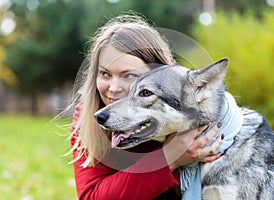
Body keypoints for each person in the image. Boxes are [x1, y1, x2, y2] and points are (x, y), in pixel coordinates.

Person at [68, 13, 223, 200]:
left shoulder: (191, 110)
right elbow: (91, 196)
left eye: (129, 75)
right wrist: (169, 157)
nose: (113, 88)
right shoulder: (89, 114)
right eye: (105, 73)